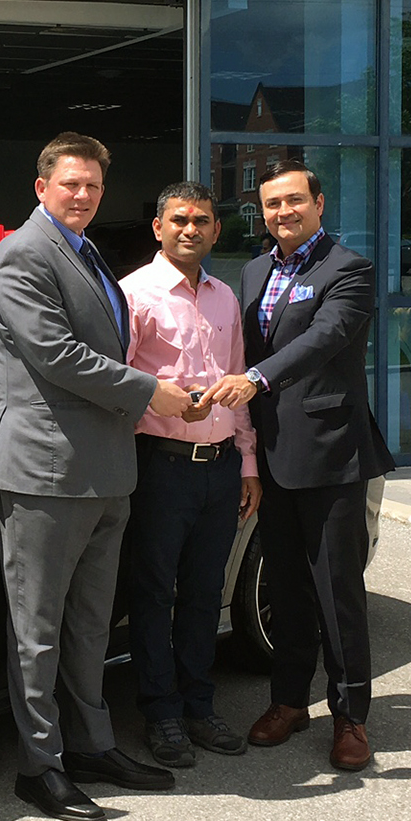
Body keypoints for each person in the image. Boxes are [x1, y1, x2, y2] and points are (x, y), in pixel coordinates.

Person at [0, 132, 192, 821]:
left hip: (105, 470)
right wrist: (149, 392)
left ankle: (93, 744)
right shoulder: (23, 253)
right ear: (41, 186)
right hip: (43, 471)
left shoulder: (86, 249)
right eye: (71, 183)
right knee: (36, 631)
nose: (83, 195)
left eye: (94, 186)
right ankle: (40, 768)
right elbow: (56, 355)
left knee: (91, 626)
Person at [202, 159, 395, 772]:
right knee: (283, 589)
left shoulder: (349, 270)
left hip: (331, 452)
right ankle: (289, 702)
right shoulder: (254, 270)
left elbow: (325, 339)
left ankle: (350, 716)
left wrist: (254, 380)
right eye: (270, 204)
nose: (281, 212)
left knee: (336, 591)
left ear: (318, 203)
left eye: (293, 201)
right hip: (272, 455)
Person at [121, 181, 262, 768]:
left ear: (215, 230)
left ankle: (200, 706)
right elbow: (113, 383)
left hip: (221, 468)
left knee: (205, 593)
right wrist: (164, 402)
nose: (190, 228)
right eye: (179, 219)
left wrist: (249, 463)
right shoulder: (132, 295)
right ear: (158, 227)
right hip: (161, 468)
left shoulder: (225, 297)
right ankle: (161, 713)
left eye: (202, 220)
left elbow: (240, 383)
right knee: (154, 593)